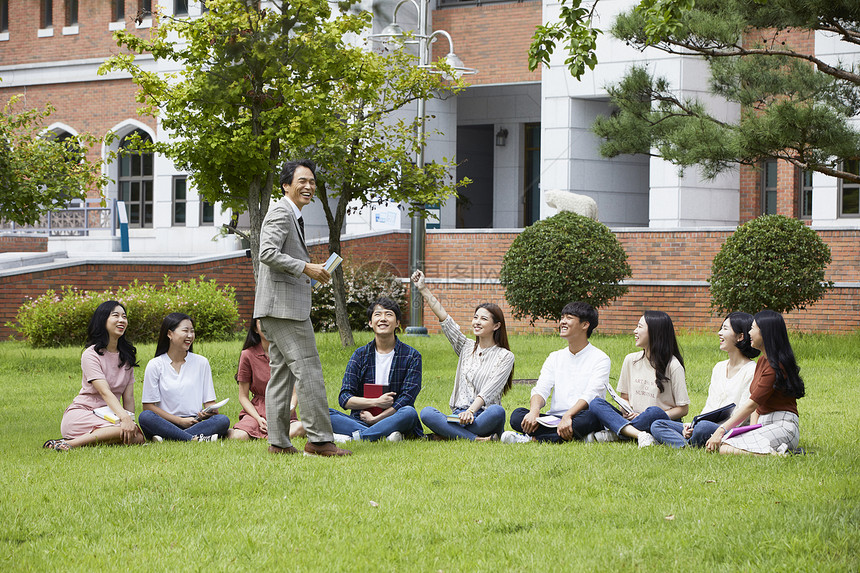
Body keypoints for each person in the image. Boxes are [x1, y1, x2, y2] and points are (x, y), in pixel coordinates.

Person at [254, 159, 350, 456]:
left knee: (281, 376)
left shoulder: (290, 214)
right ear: (286, 185)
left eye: (312, 182)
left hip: (277, 308)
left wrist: (309, 272)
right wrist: (306, 268)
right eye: (302, 181)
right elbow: (267, 253)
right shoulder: (282, 212)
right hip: (284, 311)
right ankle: (319, 441)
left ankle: (279, 443)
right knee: (309, 371)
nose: (309, 187)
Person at [412, 270, 515, 441]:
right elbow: (446, 320)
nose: (477, 322)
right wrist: (423, 289)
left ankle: (448, 434)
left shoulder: (505, 356)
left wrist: (471, 412)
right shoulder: (466, 347)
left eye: (483, 319)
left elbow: (489, 392)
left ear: (496, 326)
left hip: (483, 415)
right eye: (475, 317)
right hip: (459, 416)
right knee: (427, 413)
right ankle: (478, 439)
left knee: (498, 411)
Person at [44, 300, 146, 451]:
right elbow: (104, 392)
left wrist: (130, 421)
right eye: (115, 316)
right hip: (83, 413)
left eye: (124, 317)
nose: (121, 320)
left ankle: (70, 441)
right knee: (123, 432)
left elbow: (129, 397)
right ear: (103, 320)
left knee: (137, 437)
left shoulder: (127, 356)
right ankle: (70, 444)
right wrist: (124, 419)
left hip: (110, 416)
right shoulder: (91, 354)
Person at [502, 302, 610, 444]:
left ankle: (532, 439)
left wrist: (568, 415)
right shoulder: (555, 357)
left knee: (590, 419)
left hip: (579, 416)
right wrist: (534, 411)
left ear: (585, 325)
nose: (562, 322)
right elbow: (541, 389)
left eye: (569, 318)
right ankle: (579, 437)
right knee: (517, 416)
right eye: (562, 317)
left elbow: (591, 395)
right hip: (554, 419)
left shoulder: (600, 358)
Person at [649, 312, 759, 448]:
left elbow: (742, 415)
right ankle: (686, 445)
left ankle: (685, 442)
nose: (719, 333)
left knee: (704, 428)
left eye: (725, 329)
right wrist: (692, 425)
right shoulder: (719, 367)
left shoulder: (751, 370)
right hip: (705, 425)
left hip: (728, 430)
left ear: (740, 336)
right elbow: (710, 405)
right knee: (658, 423)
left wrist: (714, 428)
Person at [706, 310, 805, 456]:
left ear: (765, 333)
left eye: (753, 328)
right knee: (726, 442)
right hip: (764, 424)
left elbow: (752, 404)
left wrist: (721, 429)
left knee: (726, 448)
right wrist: (752, 430)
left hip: (782, 425)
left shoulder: (775, 366)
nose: (749, 333)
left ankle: (782, 455)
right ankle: (775, 452)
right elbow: (756, 409)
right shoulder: (763, 360)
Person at [588, 311, 690, 446]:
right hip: (633, 415)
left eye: (640, 327)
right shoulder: (631, 360)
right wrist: (626, 409)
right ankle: (638, 434)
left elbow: (683, 409)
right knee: (596, 403)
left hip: (659, 420)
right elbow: (624, 397)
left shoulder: (673, 365)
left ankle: (617, 432)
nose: (635, 331)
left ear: (655, 332)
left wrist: (646, 416)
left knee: (654, 412)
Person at [328, 297, 423, 442]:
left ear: (397, 323)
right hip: (361, 419)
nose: (383, 319)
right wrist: (375, 402)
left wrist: (376, 419)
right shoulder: (360, 355)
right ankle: (384, 436)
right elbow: (344, 398)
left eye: (389, 314)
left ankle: (357, 437)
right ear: (370, 323)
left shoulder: (412, 356)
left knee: (409, 412)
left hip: (395, 418)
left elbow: (406, 400)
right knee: (325, 413)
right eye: (378, 314)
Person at [138, 313, 230, 442]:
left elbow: (210, 403)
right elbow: (148, 407)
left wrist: (208, 412)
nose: (190, 335)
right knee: (145, 417)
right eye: (185, 331)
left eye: (192, 331)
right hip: (165, 422)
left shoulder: (201, 362)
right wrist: (180, 421)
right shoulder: (155, 365)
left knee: (222, 420)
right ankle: (194, 439)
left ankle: (170, 438)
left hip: (194, 421)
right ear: (170, 334)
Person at [230, 317, 305, 440]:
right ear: (255, 328)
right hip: (256, 411)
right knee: (239, 436)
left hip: (282, 409)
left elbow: (294, 394)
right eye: (262, 323)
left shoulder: (288, 354)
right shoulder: (247, 355)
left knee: (300, 427)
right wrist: (258, 419)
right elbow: (243, 396)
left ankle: (269, 435)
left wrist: (288, 412)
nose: (267, 326)